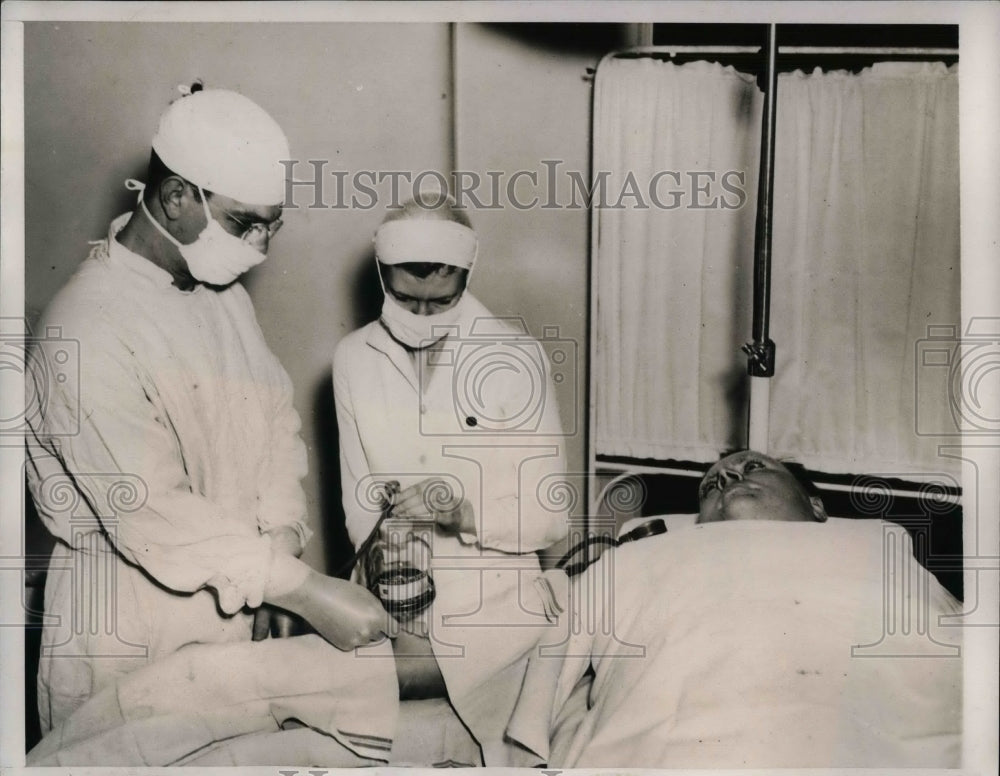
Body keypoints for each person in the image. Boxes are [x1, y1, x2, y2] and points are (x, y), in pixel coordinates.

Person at [25, 86, 389, 734]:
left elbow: (273, 426)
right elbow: (151, 511)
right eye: (246, 223)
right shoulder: (85, 327)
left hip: (235, 607)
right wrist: (299, 590)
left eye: (273, 225)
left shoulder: (221, 299)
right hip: (127, 626)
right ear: (174, 198)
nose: (263, 246)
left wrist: (280, 551)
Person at [506, 449, 963, 768]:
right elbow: (552, 654)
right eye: (710, 486)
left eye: (753, 467)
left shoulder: (877, 548)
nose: (724, 479)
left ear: (817, 507)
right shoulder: (639, 555)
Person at [332, 192, 570, 765]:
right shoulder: (354, 358)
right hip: (395, 595)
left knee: (321, 687)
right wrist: (395, 598)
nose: (419, 318)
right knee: (313, 677)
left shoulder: (517, 358)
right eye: (404, 298)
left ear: (467, 274)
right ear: (381, 275)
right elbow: (359, 508)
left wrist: (460, 513)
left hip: (499, 610)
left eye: (440, 301)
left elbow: (551, 518)